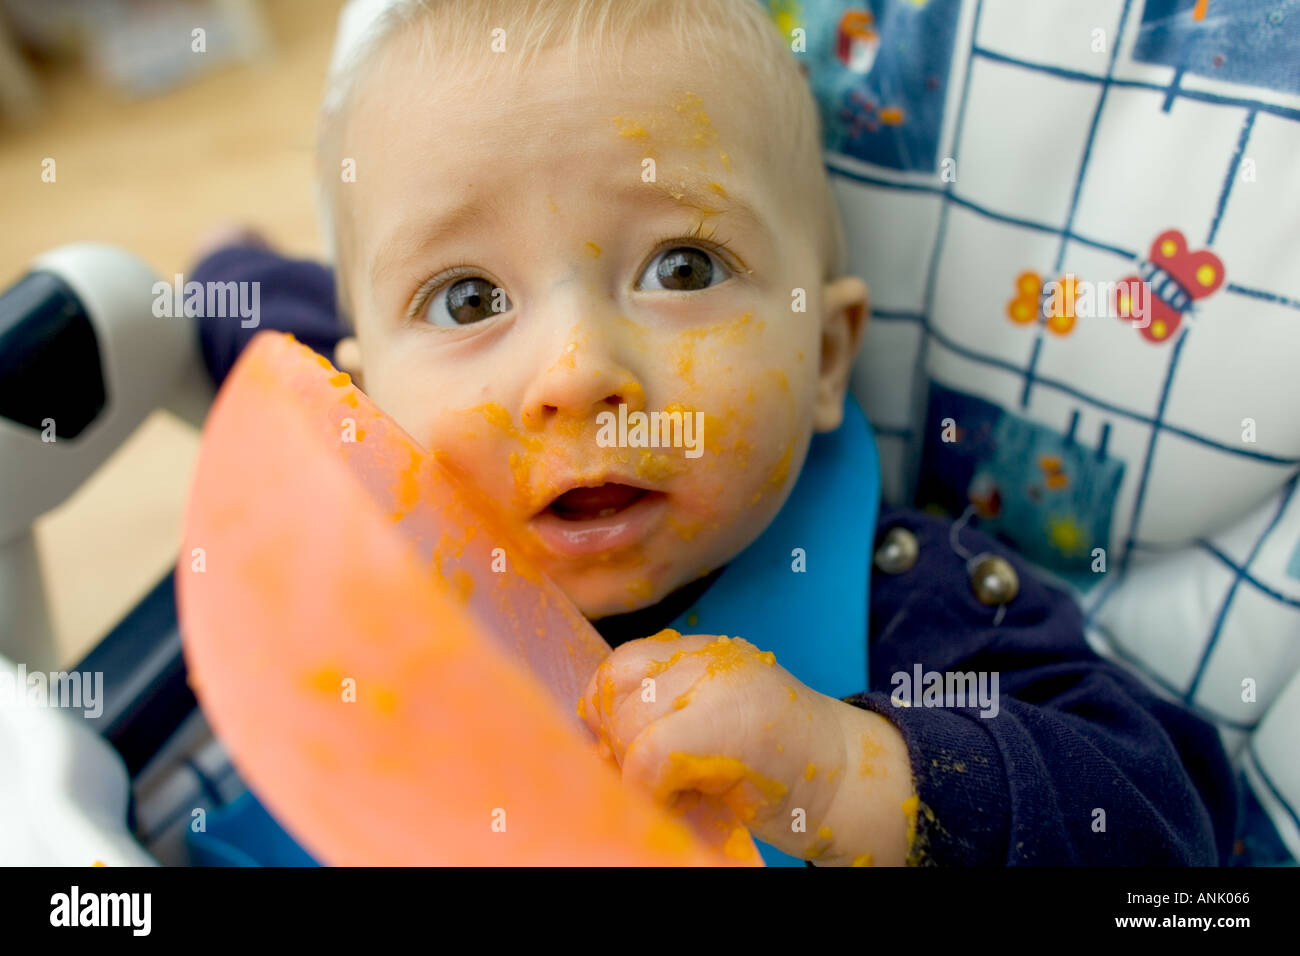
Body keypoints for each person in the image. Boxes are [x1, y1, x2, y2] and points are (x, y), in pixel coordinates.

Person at [186, 0, 1233, 866]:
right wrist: (217, 266)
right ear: (365, 414)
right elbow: (273, 326)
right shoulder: (365, 502)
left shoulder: (915, 611)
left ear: (824, 354)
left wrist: (847, 770)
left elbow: (1169, 817)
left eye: (680, 269)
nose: (575, 370)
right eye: (466, 299)